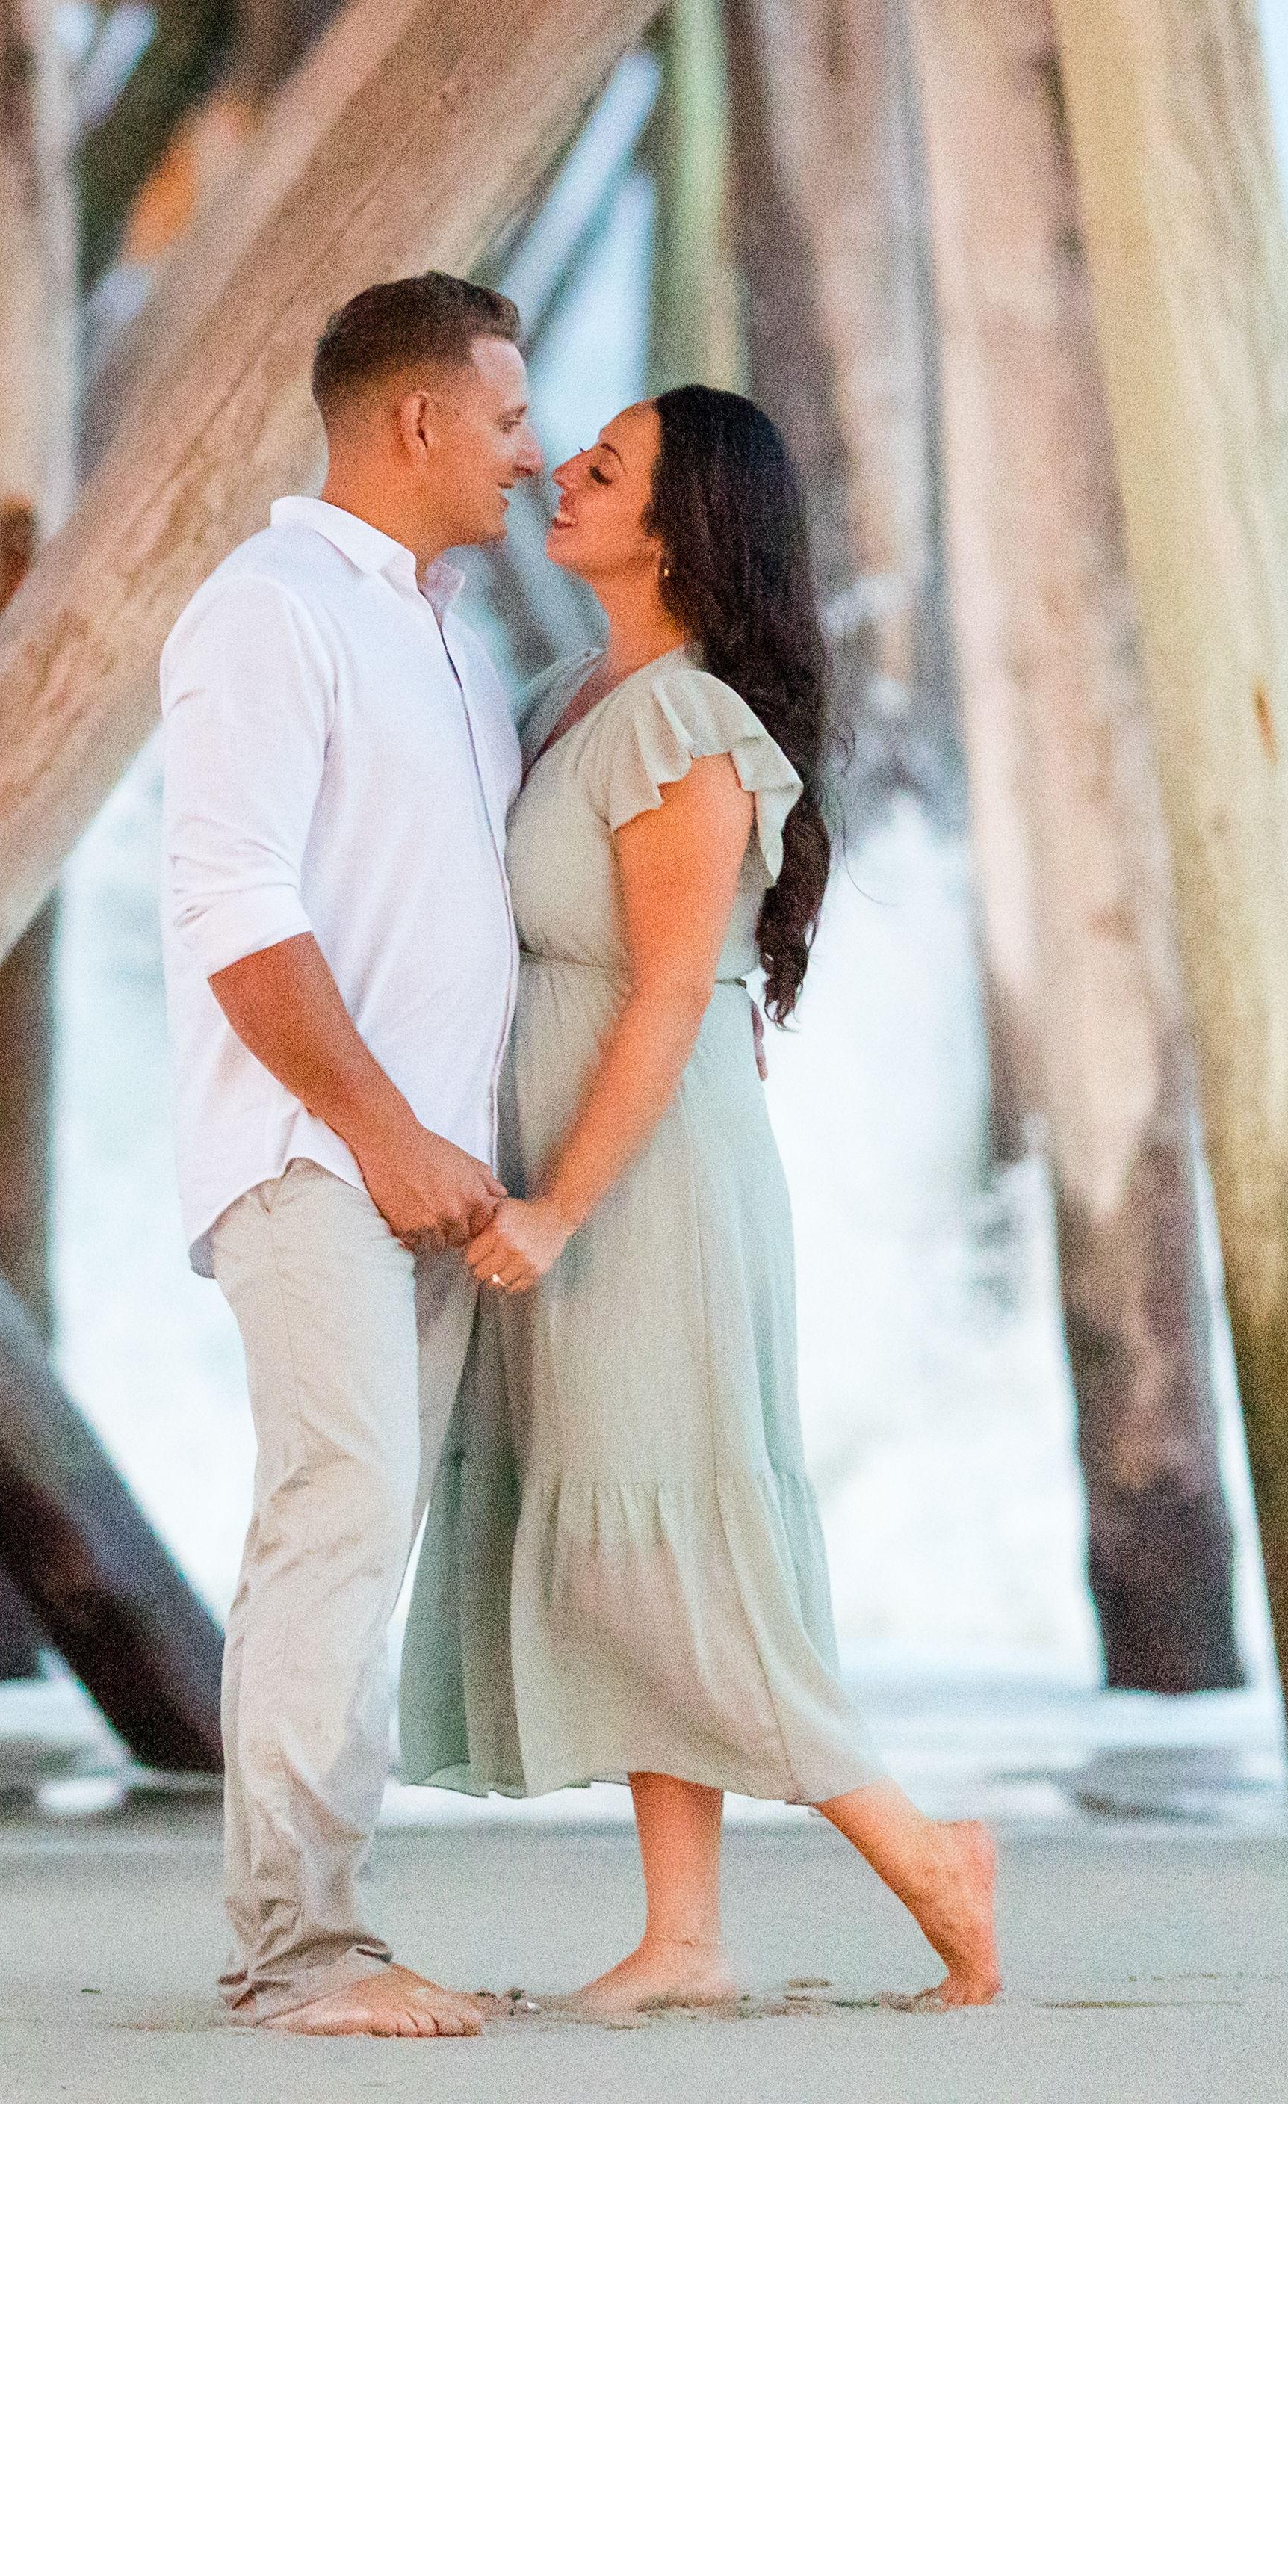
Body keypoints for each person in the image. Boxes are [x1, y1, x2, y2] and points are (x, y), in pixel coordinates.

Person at [399, 386, 1001, 2014]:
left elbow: (672, 994)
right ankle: (686, 1940)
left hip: (644, 1184)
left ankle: (928, 1860)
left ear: (679, 532)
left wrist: (559, 1207)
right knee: (636, 1538)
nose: (564, 475)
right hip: (588, 1167)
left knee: (665, 1553)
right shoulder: (570, 692)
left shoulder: (686, 725)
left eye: (605, 470)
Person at [158, 272, 536, 2037]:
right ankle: (295, 1953)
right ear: (418, 420)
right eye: (509, 418)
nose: (528, 452)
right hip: (317, 1155)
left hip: (427, 1180)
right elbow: (234, 911)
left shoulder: (450, 640)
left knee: (363, 1527)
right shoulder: (270, 609)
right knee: (341, 1509)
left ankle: (319, 1926)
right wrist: (385, 1136)